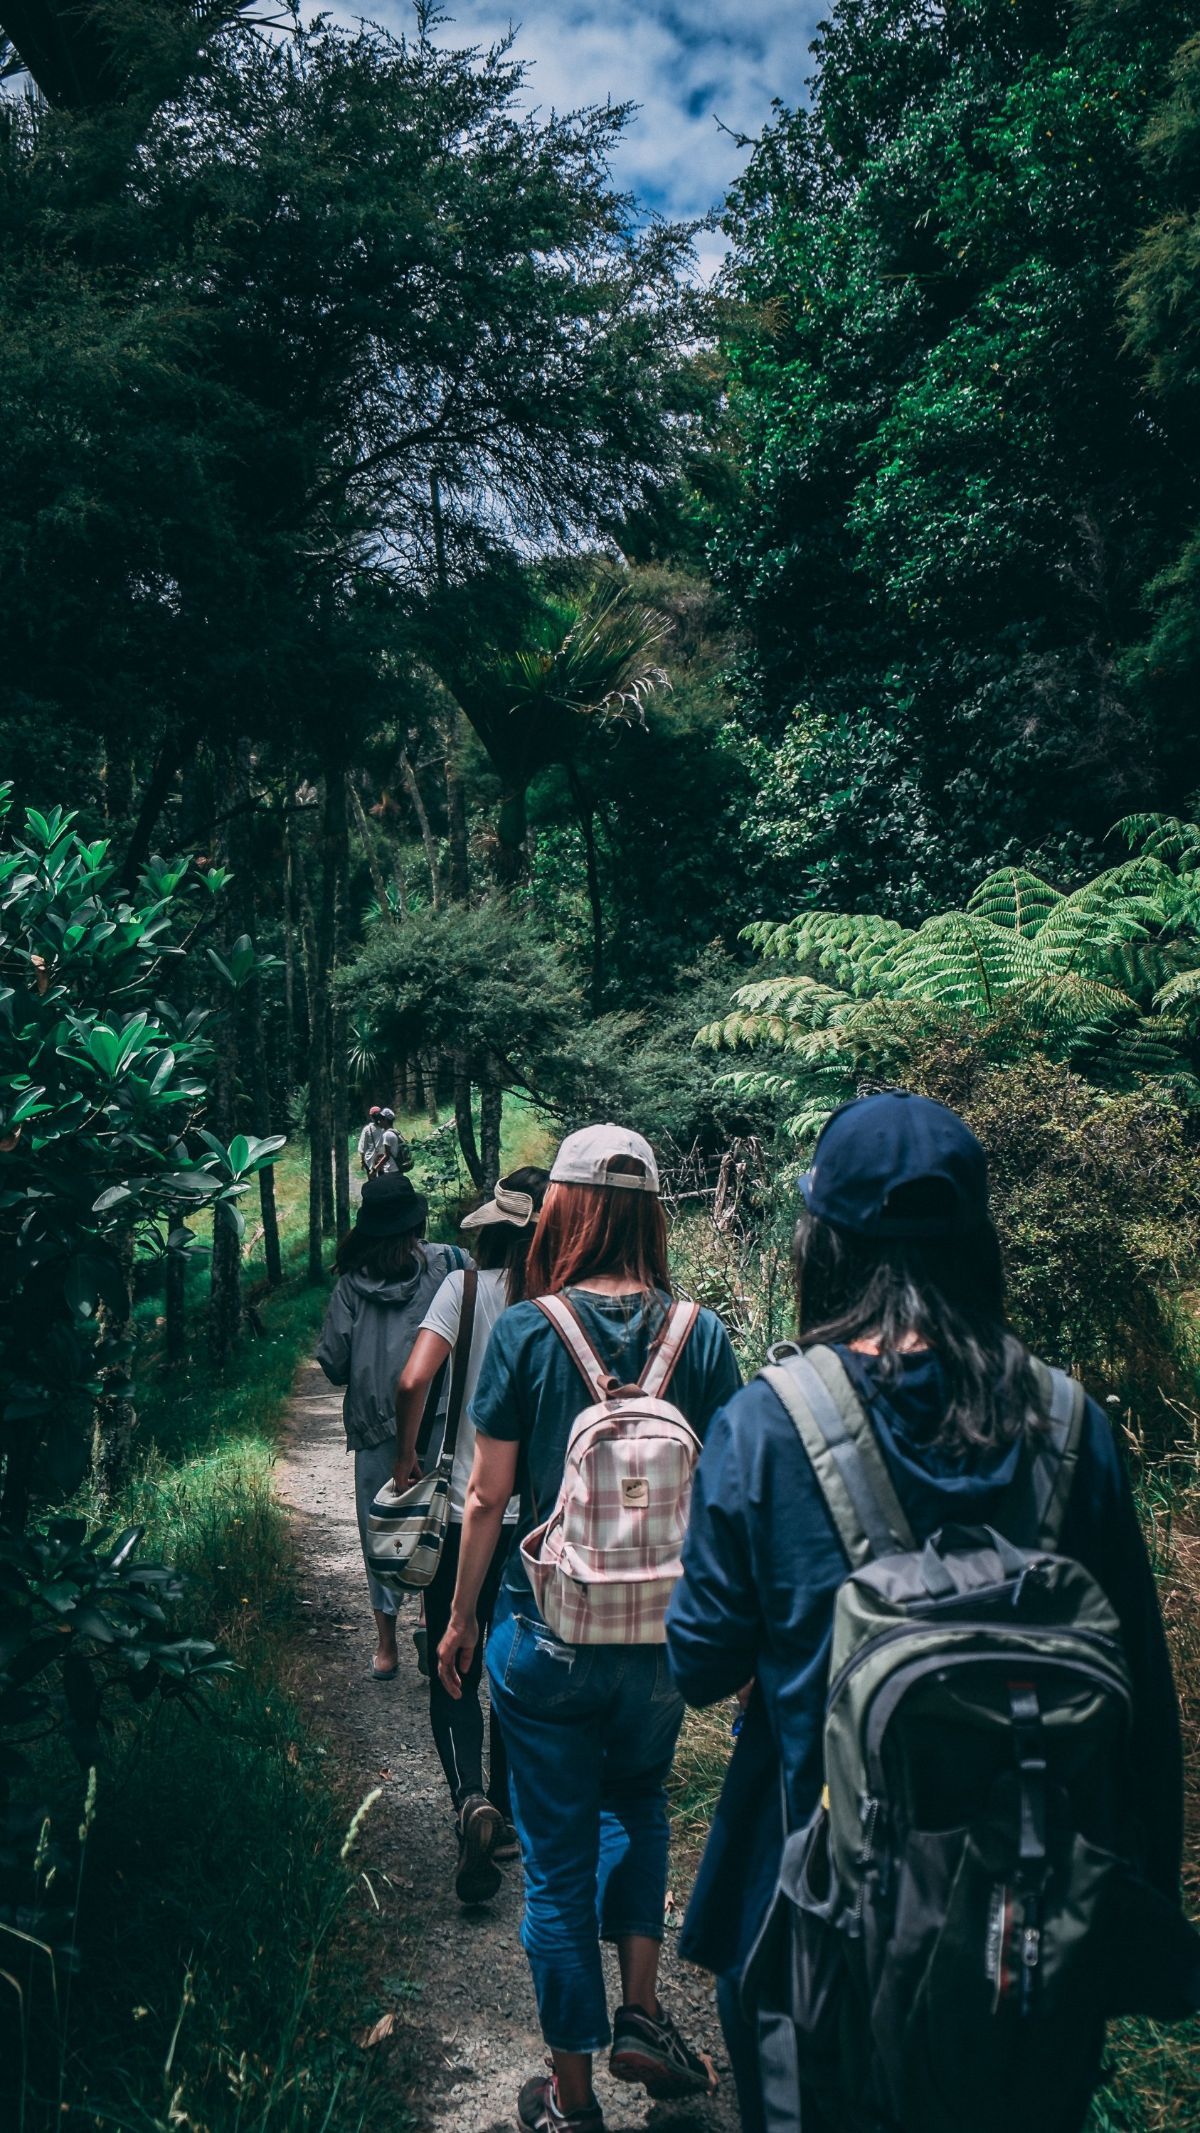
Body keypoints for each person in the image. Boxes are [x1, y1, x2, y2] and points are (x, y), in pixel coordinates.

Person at [665, 1091, 1186, 2133]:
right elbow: (1145, 1708)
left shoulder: (767, 1426)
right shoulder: (1069, 1425)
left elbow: (702, 1663)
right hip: (1028, 1934)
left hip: (813, 1930)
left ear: (825, 1243)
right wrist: (1135, 1922)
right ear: (978, 1245)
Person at [436, 1123, 742, 2133]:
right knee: (641, 1801)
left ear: (560, 1209)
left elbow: (485, 1500)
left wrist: (463, 1618)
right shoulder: (701, 1333)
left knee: (557, 1863)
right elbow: (732, 1491)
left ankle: (571, 2102)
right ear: (651, 1212)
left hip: (550, 1629)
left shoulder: (530, 1329)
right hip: (662, 1636)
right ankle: (643, 2015)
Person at [394, 1166, 550, 1906]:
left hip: (463, 1513)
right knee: (512, 1665)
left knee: (450, 1660)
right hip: (540, 1527)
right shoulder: (559, 1305)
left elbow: (410, 1380)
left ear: (490, 1227)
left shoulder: (464, 1289)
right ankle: (511, 1814)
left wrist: (405, 1453)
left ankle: (469, 1798)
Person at [316, 1171, 469, 1681]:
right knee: (441, 1521)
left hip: (376, 1425)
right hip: (444, 1418)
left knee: (380, 1529)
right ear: (415, 1222)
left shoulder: (349, 1286)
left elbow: (334, 1363)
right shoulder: (450, 1264)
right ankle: (432, 1618)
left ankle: (387, 1647)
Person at [357, 1104, 384, 1176]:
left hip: (370, 1160)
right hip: (383, 1160)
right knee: (383, 1182)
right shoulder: (385, 1127)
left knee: (372, 1183)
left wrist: (362, 1161)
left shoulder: (367, 1129)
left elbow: (362, 1148)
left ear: (371, 1117)